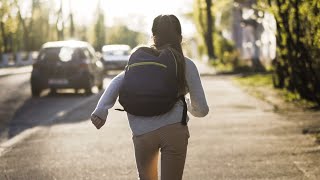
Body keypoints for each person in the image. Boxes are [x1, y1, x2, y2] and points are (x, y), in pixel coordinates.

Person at [91, 14, 209, 180]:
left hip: (142, 131)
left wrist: (101, 111)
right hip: (174, 130)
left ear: (153, 36)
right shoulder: (185, 63)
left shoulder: (140, 60)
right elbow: (202, 109)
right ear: (180, 37)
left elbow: (117, 81)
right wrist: (186, 103)